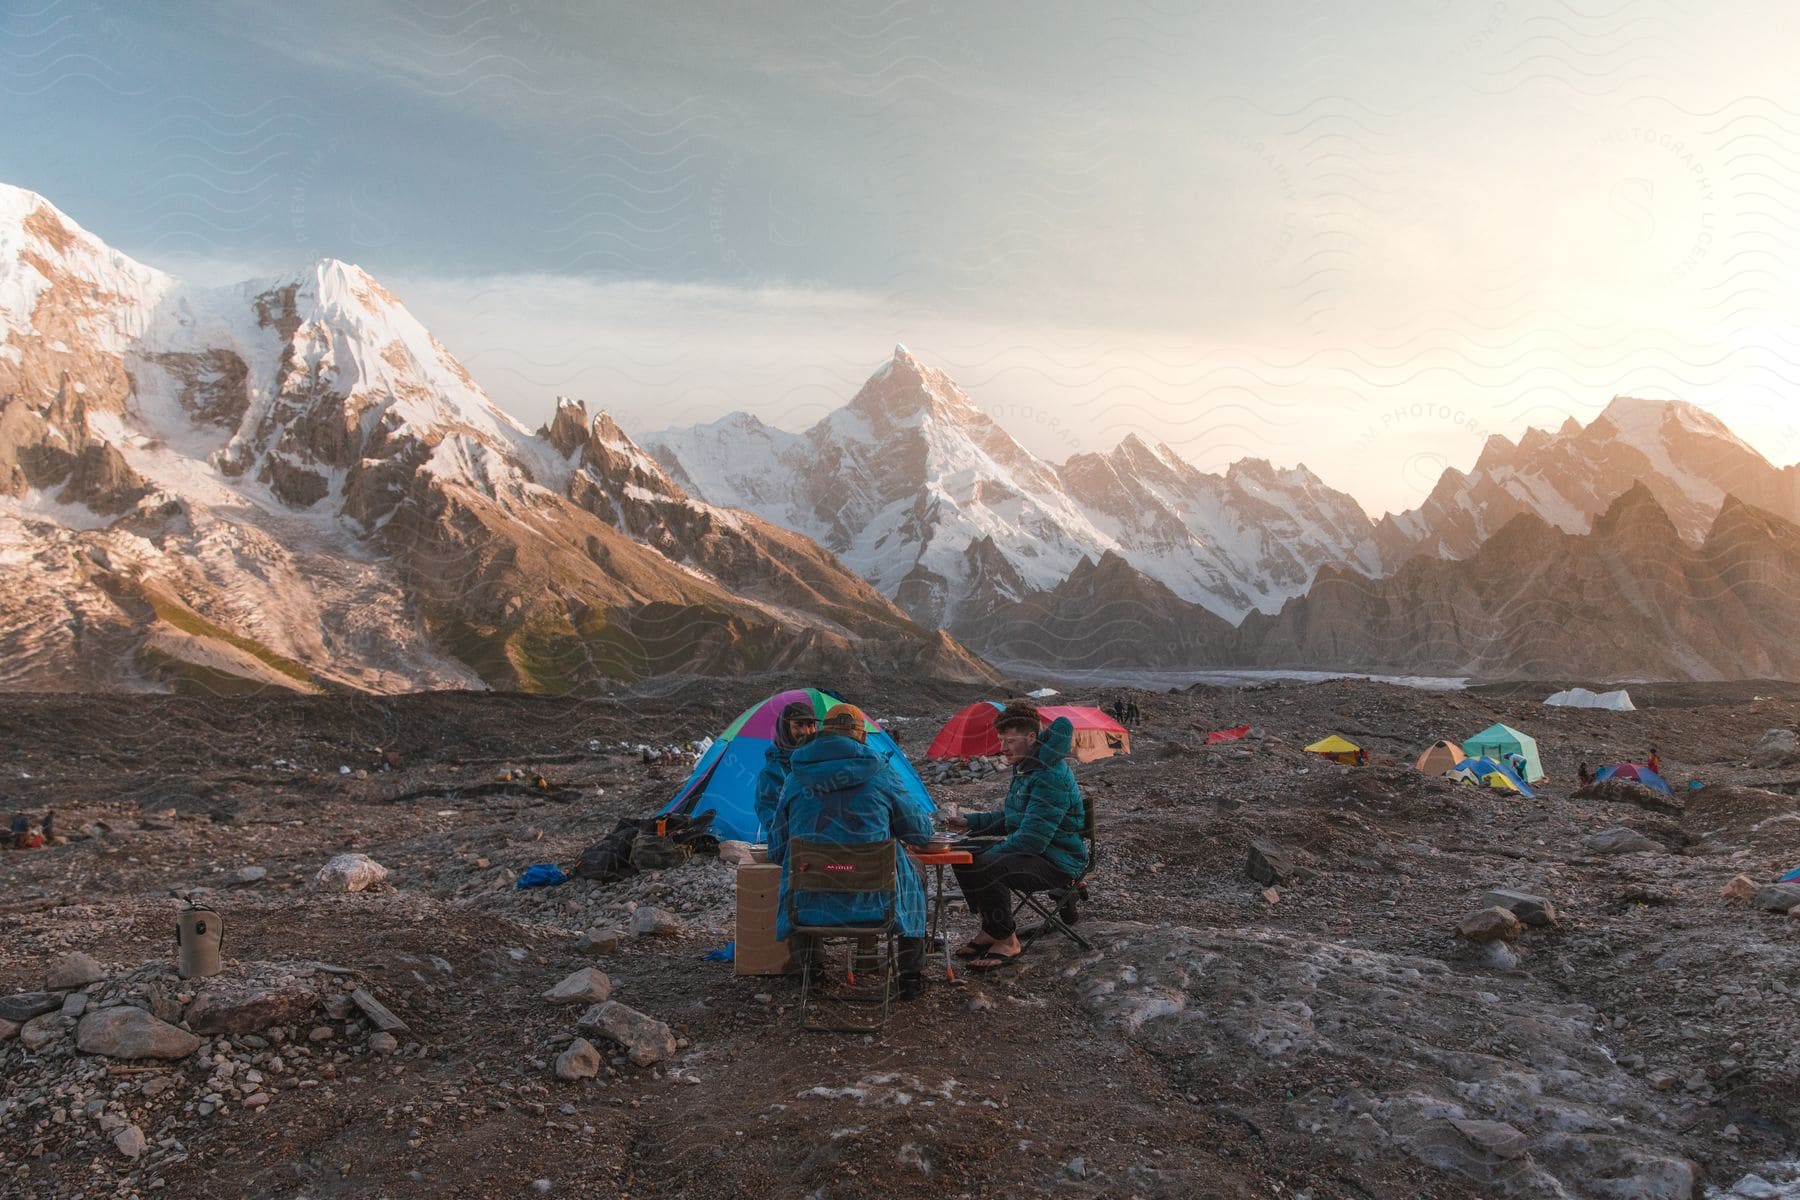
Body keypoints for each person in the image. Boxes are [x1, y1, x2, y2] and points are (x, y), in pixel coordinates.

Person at [768, 702, 934, 1000]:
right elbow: (920, 833)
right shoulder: (882, 772)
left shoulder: (794, 777)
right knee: (915, 872)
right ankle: (910, 975)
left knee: (796, 870)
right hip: (876, 903)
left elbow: (778, 848)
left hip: (810, 907)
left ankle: (812, 971)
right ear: (861, 736)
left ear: (824, 733)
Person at [944, 703, 1087, 970]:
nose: (1003, 747)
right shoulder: (1026, 766)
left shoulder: (1049, 775)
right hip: (1038, 852)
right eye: (1001, 740)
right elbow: (1013, 818)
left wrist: (990, 854)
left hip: (1059, 862)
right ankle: (991, 929)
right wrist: (969, 822)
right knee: (962, 853)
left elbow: (1033, 839)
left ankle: (1008, 940)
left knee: (988, 865)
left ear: (1031, 737)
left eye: (1010, 741)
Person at [754, 702, 817, 839]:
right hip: (796, 846)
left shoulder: (823, 761)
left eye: (811, 724)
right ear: (785, 729)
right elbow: (769, 815)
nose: (807, 731)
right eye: (799, 725)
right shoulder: (772, 773)